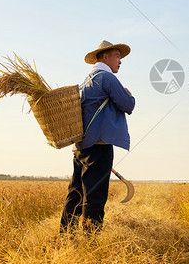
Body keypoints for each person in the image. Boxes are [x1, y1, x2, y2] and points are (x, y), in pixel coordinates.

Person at [60, 40, 135, 234]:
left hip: (81, 145)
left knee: (76, 192)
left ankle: (66, 235)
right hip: (100, 144)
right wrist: (128, 94)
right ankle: (91, 241)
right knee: (95, 195)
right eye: (117, 56)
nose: (120, 61)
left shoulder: (86, 81)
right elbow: (128, 105)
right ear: (105, 57)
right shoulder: (107, 78)